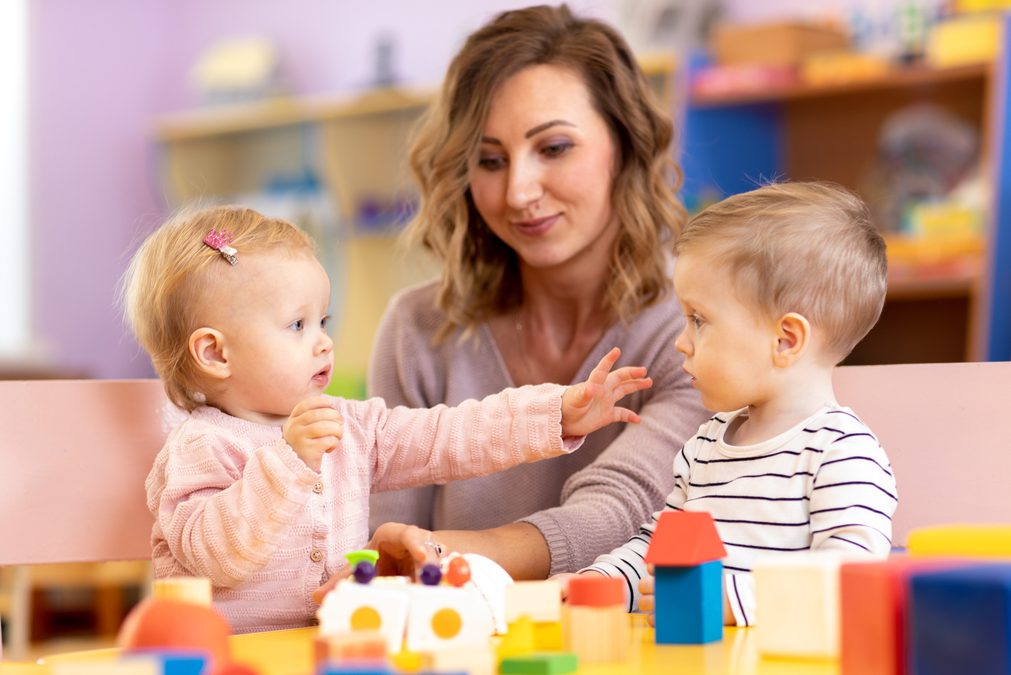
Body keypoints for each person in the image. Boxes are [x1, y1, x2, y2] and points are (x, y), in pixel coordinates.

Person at [121, 205, 652, 632]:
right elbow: (216, 556)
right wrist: (288, 463)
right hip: (230, 659)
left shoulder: (348, 424)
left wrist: (555, 413)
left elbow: (448, 436)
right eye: (297, 325)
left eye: (323, 320)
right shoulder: (200, 447)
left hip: (334, 642)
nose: (324, 342)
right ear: (215, 354)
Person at [363, 3, 707, 582]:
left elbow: (618, 514)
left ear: (624, 145)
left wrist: (431, 555)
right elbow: (381, 543)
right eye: (489, 160)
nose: (519, 191)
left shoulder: (694, 325)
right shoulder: (417, 332)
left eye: (553, 148)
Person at [562, 182, 899, 627]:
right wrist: (597, 583)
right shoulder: (703, 447)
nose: (681, 343)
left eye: (698, 320)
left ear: (785, 339)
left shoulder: (841, 453)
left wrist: (735, 600)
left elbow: (853, 581)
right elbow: (657, 552)